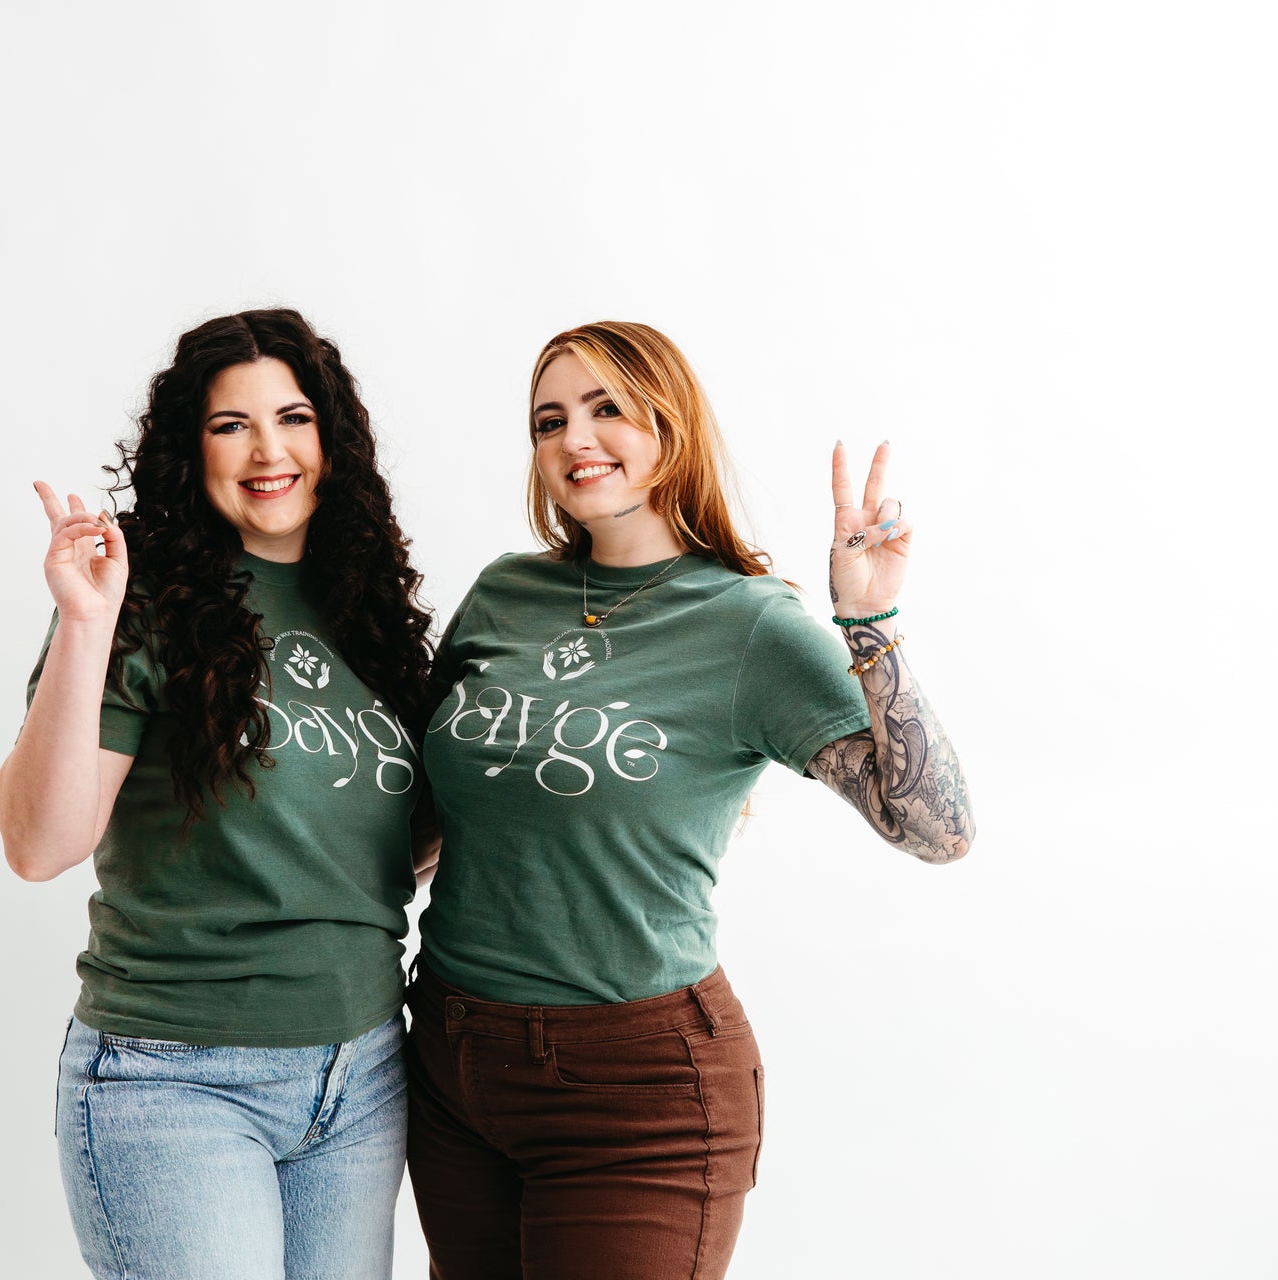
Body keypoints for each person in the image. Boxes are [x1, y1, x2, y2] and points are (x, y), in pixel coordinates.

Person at [405, 320, 975, 1279]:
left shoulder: (746, 624)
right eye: (549, 420)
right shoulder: (505, 593)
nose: (575, 439)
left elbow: (936, 830)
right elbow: (431, 815)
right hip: (453, 1062)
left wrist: (869, 621)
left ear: (669, 425)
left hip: (635, 1090)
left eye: (608, 408)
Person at [0, 309, 432, 1280]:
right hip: (175, 1078)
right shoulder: (141, 599)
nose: (270, 450)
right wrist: (84, 625)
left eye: (294, 418)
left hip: (362, 1073)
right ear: (193, 450)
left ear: (333, 438)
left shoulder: (371, 610)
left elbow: (392, 842)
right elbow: (39, 843)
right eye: (233, 425)